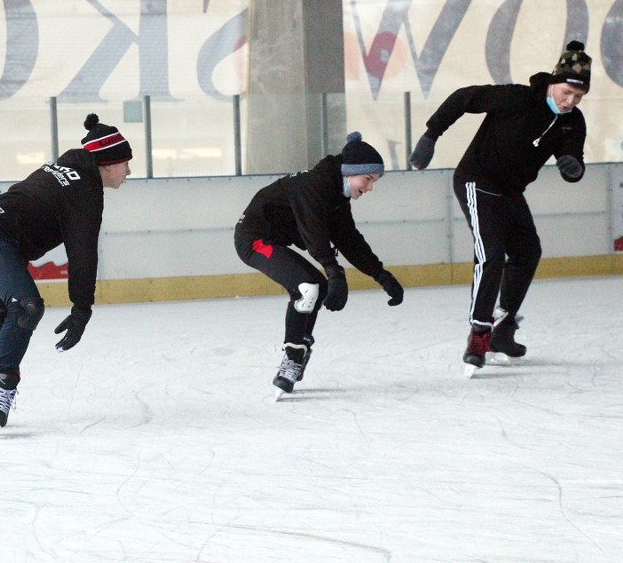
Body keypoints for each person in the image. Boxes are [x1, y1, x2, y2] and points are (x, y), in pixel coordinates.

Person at [409, 41, 591, 372]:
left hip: (510, 191)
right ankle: (479, 333)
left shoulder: (572, 122)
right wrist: (431, 135)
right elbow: (463, 98)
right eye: (566, 93)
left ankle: (502, 330)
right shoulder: (515, 98)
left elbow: (574, 159)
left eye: (578, 97)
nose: (570, 102)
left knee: (527, 252)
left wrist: (572, 167)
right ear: (553, 82)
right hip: (476, 180)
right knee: (491, 254)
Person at [0, 113, 132, 436]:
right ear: (108, 163)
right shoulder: (87, 191)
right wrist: (82, 308)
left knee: (0, 311)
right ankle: (3, 386)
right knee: (26, 306)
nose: (129, 172)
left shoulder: (63, 168)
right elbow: (83, 252)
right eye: (126, 163)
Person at [235, 132, 405, 395]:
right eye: (368, 179)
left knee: (317, 287)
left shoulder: (337, 197)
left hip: (276, 239)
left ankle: (300, 348)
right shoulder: (314, 186)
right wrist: (334, 271)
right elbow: (313, 233)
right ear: (350, 172)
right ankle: (292, 358)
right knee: (307, 287)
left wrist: (381, 275)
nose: (370, 187)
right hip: (254, 239)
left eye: (374, 182)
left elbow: (349, 240)